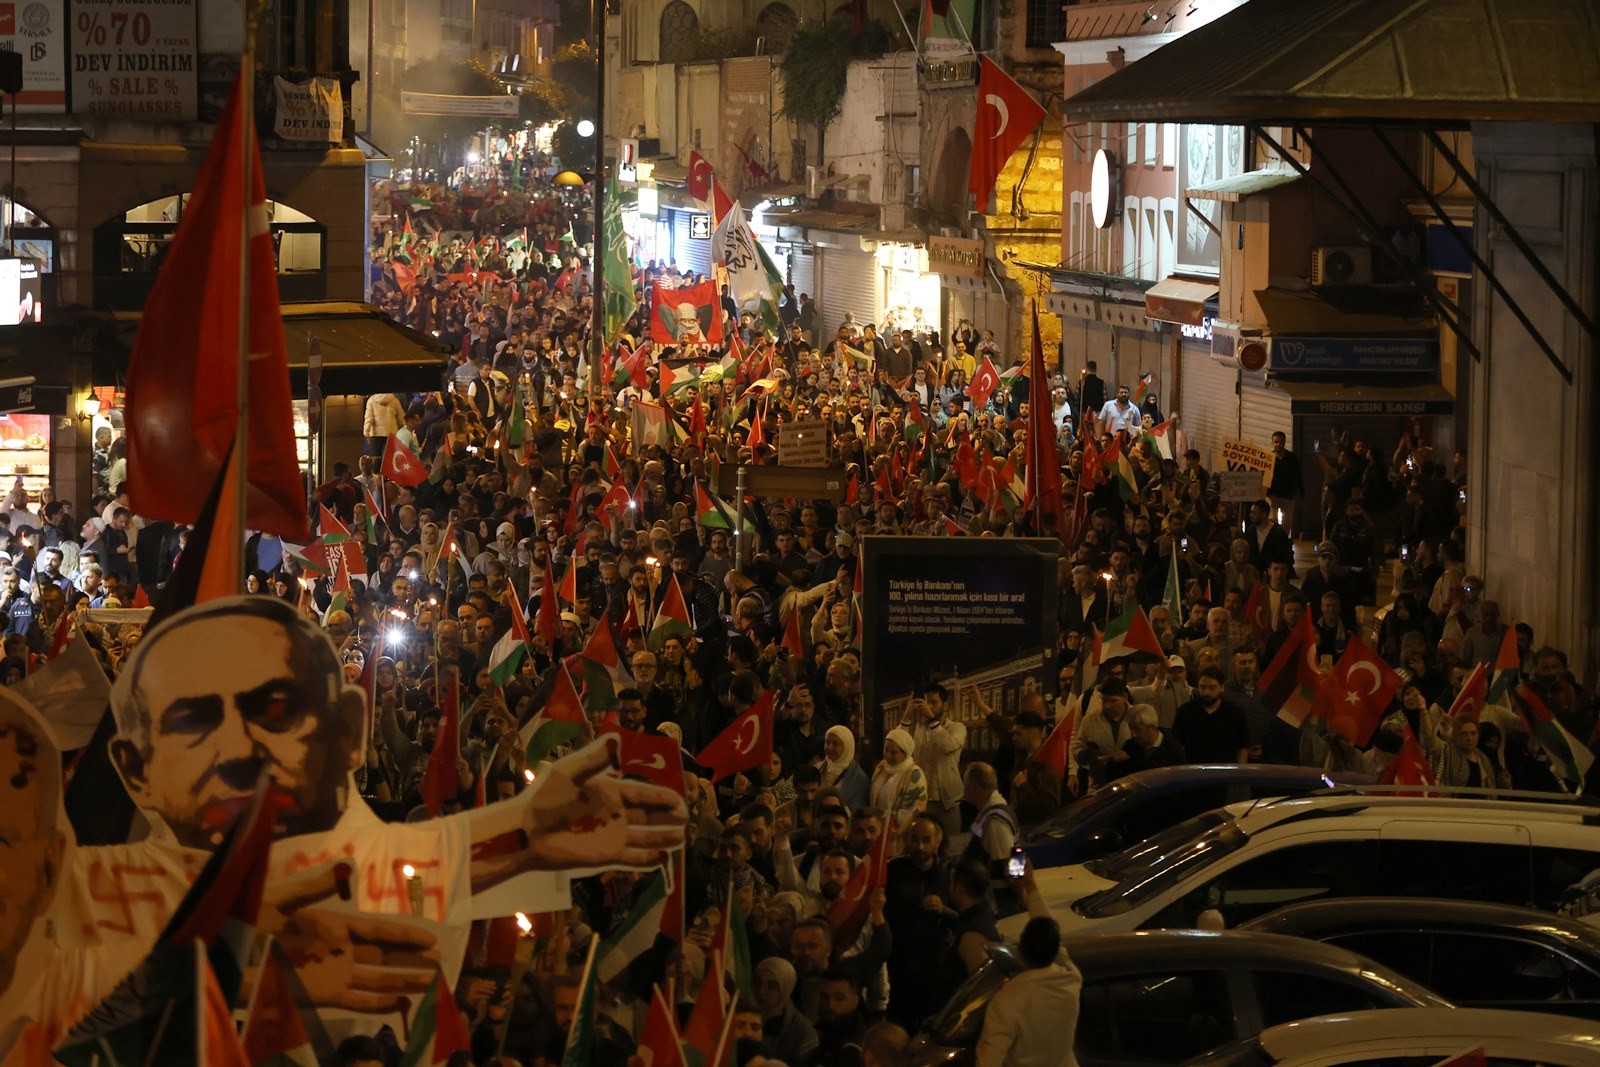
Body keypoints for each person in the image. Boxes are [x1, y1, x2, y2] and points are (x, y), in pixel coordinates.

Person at [975, 859, 1081, 1067]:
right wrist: (1030, 886)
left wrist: (1029, 886)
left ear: (1021, 953)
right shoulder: (1070, 978)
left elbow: (989, 1059)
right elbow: (1051, 936)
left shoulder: (1009, 999)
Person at [869, 728, 927, 835]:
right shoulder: (882, 767)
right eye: (886, 750)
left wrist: (882, 815)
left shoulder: (914, 775)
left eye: (894, 752)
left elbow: (913, 811)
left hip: (896, 834)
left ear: (906, 753)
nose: (888, 755)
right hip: (877, 830)